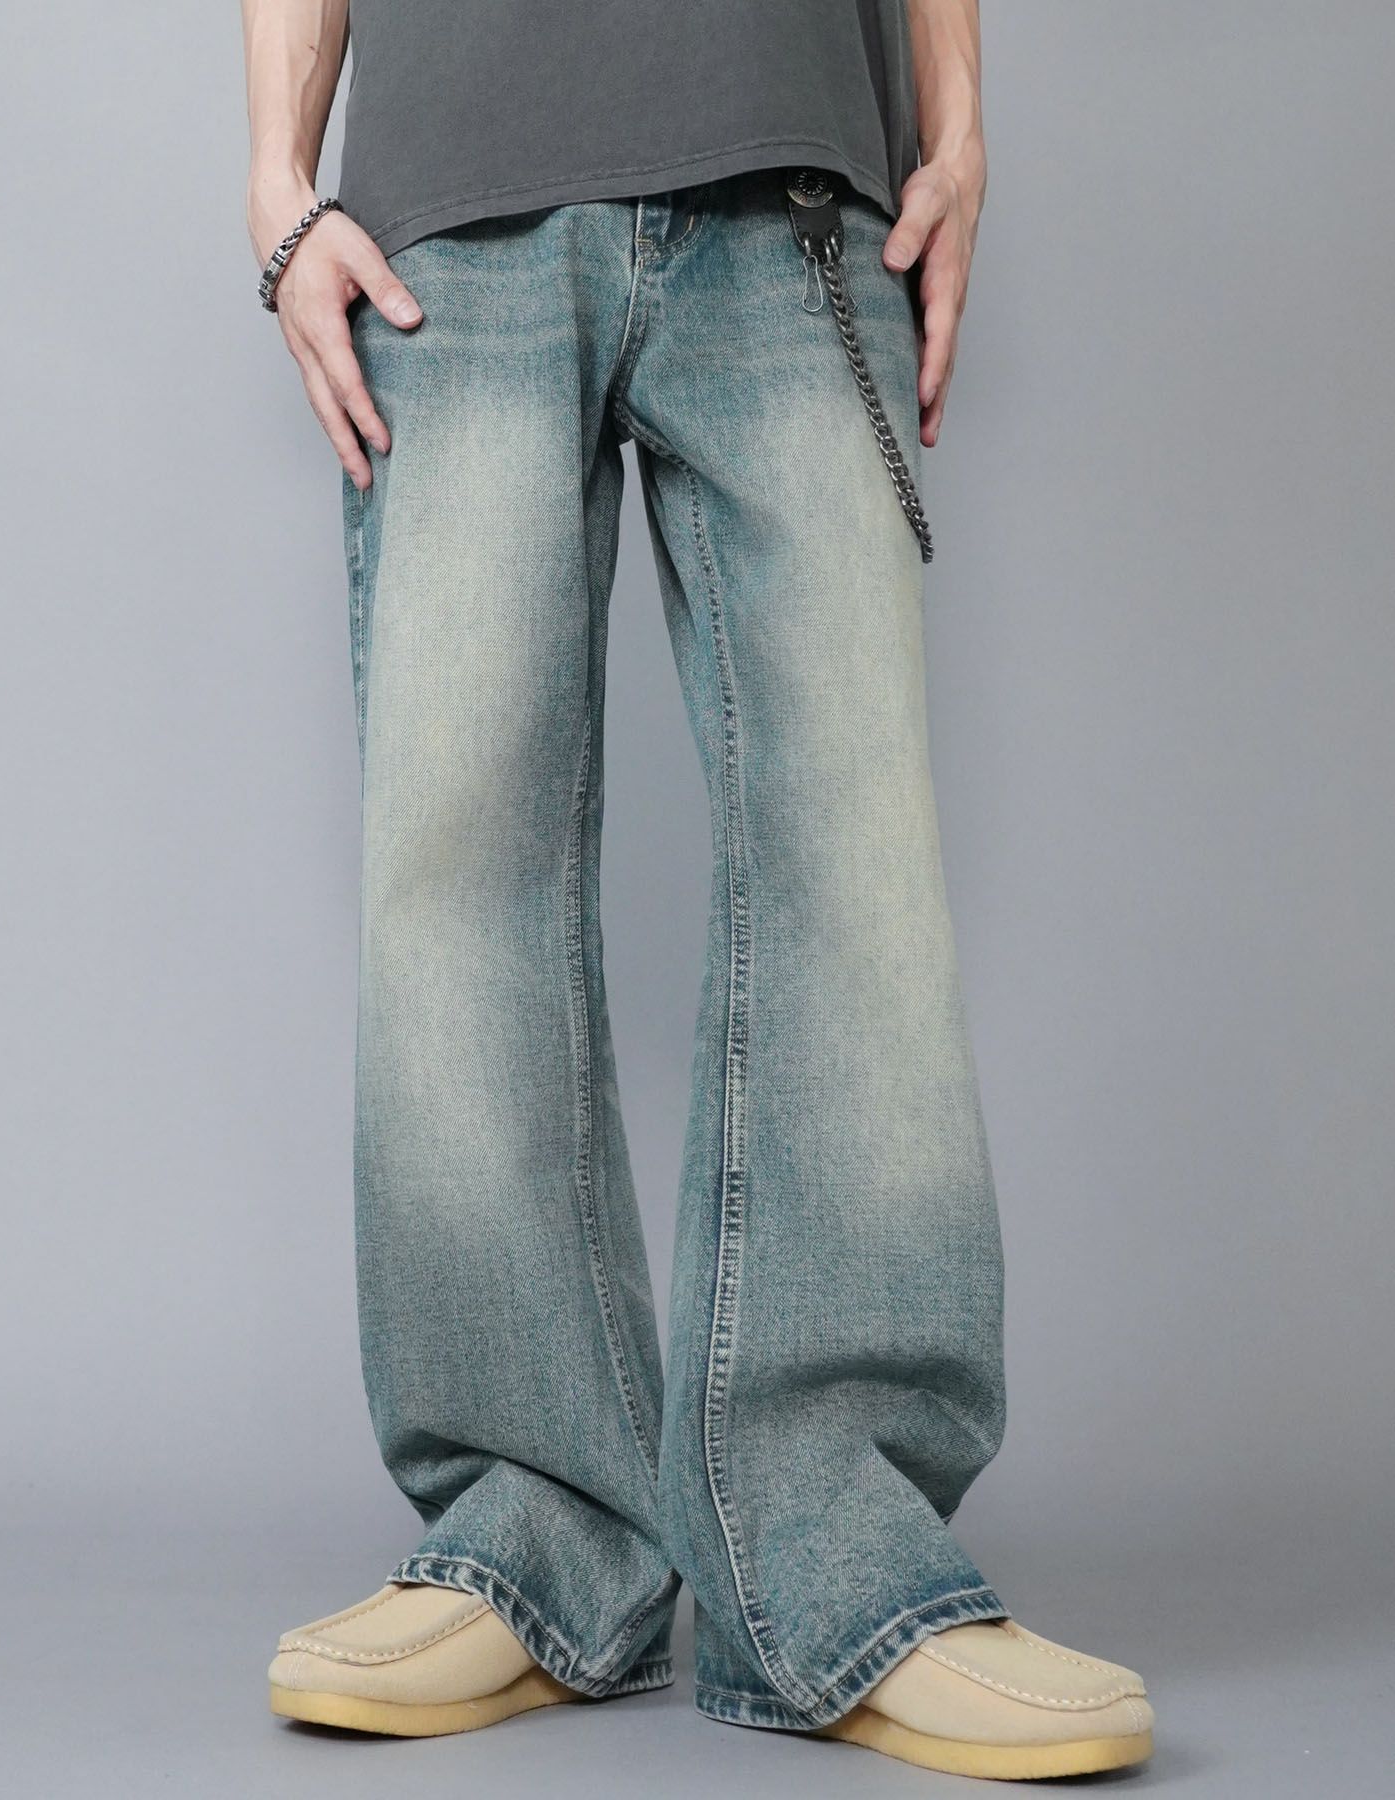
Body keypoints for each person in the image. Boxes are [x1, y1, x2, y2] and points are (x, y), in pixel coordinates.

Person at [239, 0, 1153, 1779]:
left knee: (852, 865)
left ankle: (836, 1556)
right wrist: (279, 183)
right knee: (456, 878)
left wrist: (959, 122)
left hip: (794, 181)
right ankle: (530, 1538)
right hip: (451, 221)